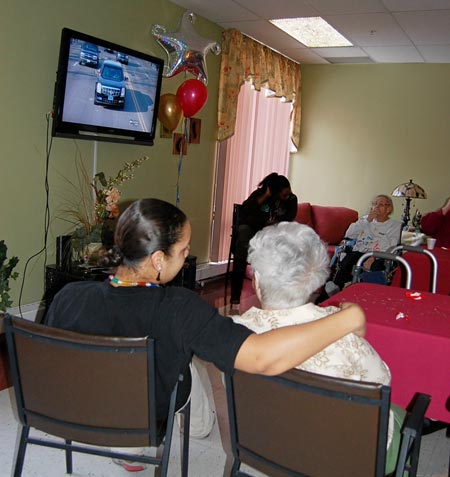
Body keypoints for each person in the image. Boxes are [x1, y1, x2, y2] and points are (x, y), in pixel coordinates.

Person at [45, 198, 364, 471]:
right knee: (187, 364)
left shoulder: (69, 294)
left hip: (75, 410)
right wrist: (348, 317)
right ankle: (137, 441)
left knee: (180, 351)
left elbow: (56, 360)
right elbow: (262, 358)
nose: (187, 256)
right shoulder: (177, 308)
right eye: (183, 250)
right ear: (158, 259)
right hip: (139, 418)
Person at [231, 221, 405, 474]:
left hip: (264, 442)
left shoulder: (232, 332)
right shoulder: (346, 339)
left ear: (256, 280)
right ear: (315, 282)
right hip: (338, 458)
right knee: (398, 415)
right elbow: (381, 382)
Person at [230, 173, 298, 309]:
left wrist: (274, 223)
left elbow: (289, 219)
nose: (286, 197)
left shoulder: (291, 199)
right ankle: (235, 295)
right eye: (283, 195)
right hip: (255, 231)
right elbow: (245, 210)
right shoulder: (261, 195)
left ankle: (281, 294)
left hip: (274, 233)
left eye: (288, 194)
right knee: (243, 236)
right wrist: (265, 196)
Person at [321, 194, 402, 299]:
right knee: (346, 262)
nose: (376, 206)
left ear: (389, 209)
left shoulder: (395, 225)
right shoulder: (365, 220)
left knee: (372, 267)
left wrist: (374, 257)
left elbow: (392, 246)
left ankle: (358, 295)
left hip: (377, 255)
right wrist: (367, 221)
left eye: (381, 204)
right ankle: (332, 293)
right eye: (374, 204)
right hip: (358, 252)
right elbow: (349, 234)